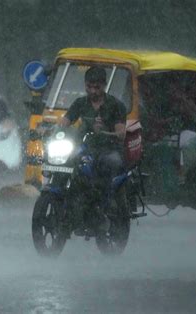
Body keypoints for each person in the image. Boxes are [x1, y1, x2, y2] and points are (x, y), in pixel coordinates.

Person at [58, 66, 127, 230]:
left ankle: (105, 208)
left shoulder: (116, 105)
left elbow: (120, 133)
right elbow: (65, 121)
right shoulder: (80, 103)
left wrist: (106, 132)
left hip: (108, 149)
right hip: (85, 147)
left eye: (97, 87)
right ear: (85, 85)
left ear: (104, 86)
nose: (93, 90)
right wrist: (51, 130)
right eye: (89, 86)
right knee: (66, 164)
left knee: (107, 166)